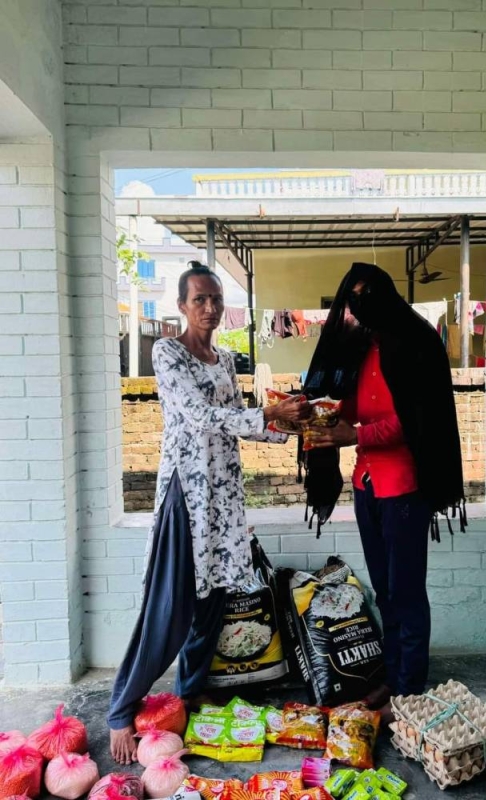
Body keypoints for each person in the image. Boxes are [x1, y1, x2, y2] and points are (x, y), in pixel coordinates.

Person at [109, 262, 309, 764]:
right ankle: (121, 709)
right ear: (181, 305)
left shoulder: (223, 360)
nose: (210, 307)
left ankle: (190, 692)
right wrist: (269, 412)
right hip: (187, 492)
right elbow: (199, 417)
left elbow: (237, 422)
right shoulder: (168, 352)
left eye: (216, 298)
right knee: (170, 606)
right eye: (199, 299)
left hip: (223, 495)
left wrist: (295, 428)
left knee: (213, 601)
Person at [303, 262, 465, 723]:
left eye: (367, 295)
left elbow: (415, 421)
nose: (359, 305)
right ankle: (394, 677)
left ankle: (410, 689)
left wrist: (354, 435)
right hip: (367, 485)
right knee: (384, 591)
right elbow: (357, 406)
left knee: (406, 592)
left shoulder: (416, 343)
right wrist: (322, 414)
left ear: (388, 294)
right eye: (352, 297)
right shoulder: (365, 346)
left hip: (404, 488)